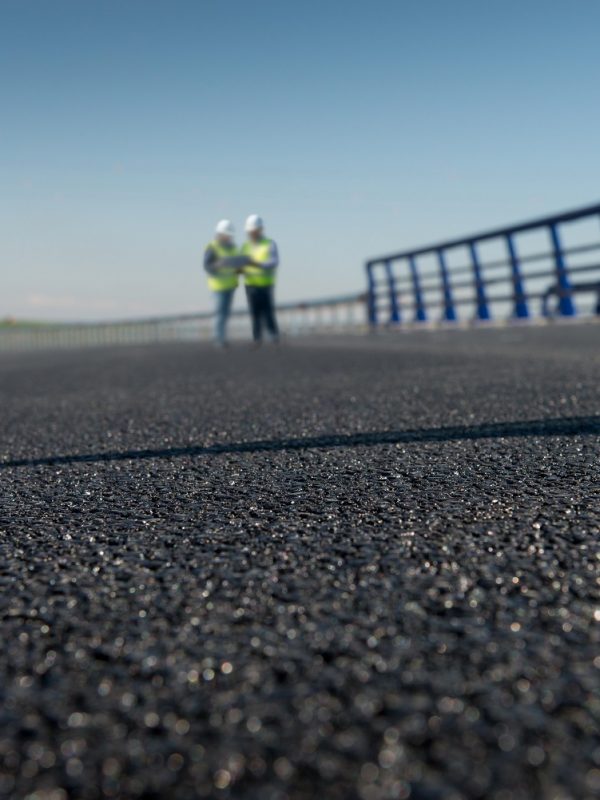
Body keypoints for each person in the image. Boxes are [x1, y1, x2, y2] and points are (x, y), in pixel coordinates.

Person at [241, 214, 280, 344]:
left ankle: (273, 335)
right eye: (250, 231)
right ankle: (257, 337)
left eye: (254, 231)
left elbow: (274, 261)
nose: (252, 233)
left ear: (260, 230)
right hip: (250, 285)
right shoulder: (245, 247)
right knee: (254, 312)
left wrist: (258, 264)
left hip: (266, 284)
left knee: (268, 311)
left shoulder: (269, 244)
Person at [204, 220, 240, 347]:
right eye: (227, 234)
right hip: (218, 286)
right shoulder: (212, 247)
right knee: (220, 313)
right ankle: (218, 339)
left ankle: (222, 337)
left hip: (230, 285)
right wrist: (218, 265)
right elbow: (207, 266)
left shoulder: (233, 248)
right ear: (220, 233)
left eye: (230, 235)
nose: (229, 237)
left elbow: (238, 265)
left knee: (225, 313)